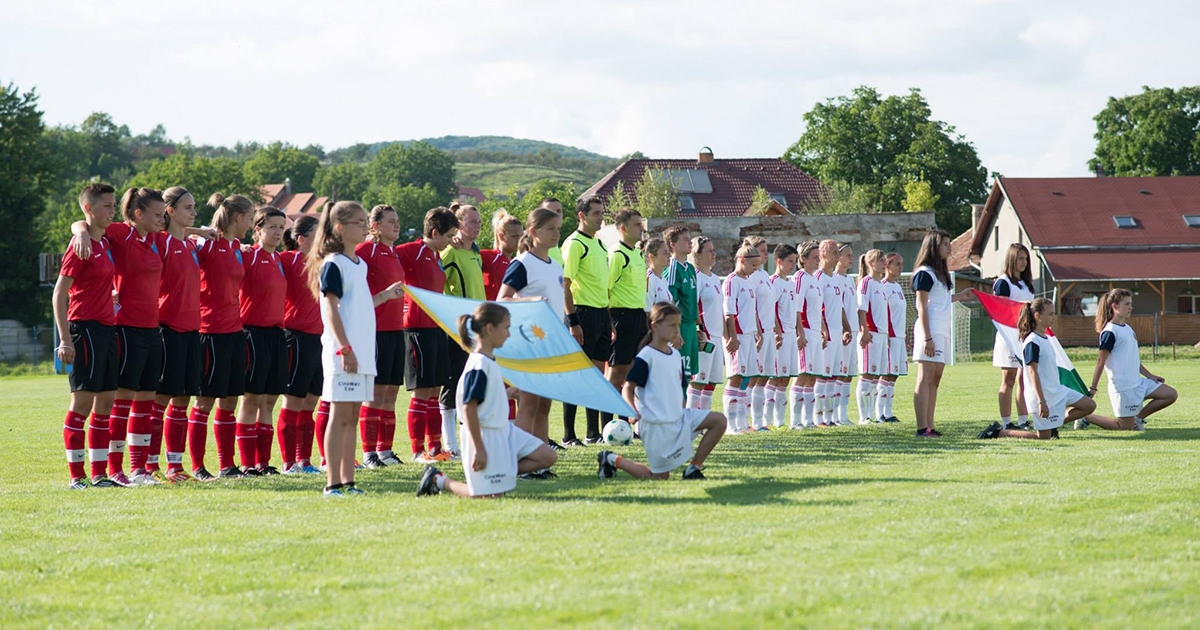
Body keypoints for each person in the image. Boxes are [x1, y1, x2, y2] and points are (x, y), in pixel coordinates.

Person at [308, 201, 405, 497]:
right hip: (344, 353)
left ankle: (348, 482)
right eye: (359, 222)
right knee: (339, 416)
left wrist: (385, 296)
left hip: (363, 351)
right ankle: (332, 483)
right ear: (340, 228)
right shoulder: (333, 264)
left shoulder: (359, 264)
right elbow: (331, 309)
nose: (365, 227)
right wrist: (345, 348)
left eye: (365, 221)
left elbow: (359, 306)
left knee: (352, 417)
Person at [71, 187, 167, 486]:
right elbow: (83, 222)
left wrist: (202, 230)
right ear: (137, 214)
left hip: (153, 329)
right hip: (125, 328)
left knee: (147, 401)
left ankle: (139, 469)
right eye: (156, 214)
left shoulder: (152, 238)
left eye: (164, 214)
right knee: (121, 400)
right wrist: (81, 233)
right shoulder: (120, 233)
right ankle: (114, 468)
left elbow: (179, 229)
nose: (161, 220)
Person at [416, 302, 558, 498]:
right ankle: (438, 480)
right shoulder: (478, 365)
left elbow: (482, 400)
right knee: (485, 496)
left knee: (547, 456)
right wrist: (479, 449)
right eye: (506, 328)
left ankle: (499, 473)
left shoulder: (488, 360)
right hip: (484, 436)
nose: (508, 334)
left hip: (503, 431)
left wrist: (504, 395)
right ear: (490, 329)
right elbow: (469, 410)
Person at [597, 302, 726, 480]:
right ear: (654, 325)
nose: (676, 330)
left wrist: (682, 408)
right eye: (672, 325)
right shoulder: (646, 357)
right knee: (659, 478)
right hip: (656, 425)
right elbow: (628, 387)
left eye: (678, 325)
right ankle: (611, 459)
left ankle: (693, 469)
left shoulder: (675, 355)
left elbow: (677, 387)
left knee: (719, 421)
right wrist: (632, 410)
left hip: (679, 418)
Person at [498, 208, 574, 479]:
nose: (557, 233)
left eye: (558, 228)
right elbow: (502, 301)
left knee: (543, 407)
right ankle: (518, 463)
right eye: (551, 228)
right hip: (528, 344)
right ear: (533, 232)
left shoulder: (555, 264)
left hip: (551, 346)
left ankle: (539, 464)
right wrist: (529, 301)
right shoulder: (522, 263)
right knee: (528, 405)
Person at [977, 299, 1120, 439]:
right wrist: (1041, 402)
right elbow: (1032, 373)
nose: (1054, 317)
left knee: (1089, 405)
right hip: (1043, 396)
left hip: (1057, 391)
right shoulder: (1032, 341)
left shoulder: (1044, 337)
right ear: (1038, 316)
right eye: (1051, 314)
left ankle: (1052, 426)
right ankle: (998, 432)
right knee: (1042, 438)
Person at [53, 183, 119, 489]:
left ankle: (99, 474)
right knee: (82, 403)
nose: (112, 211)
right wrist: (65, 340)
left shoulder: (104, 243)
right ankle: (76, 477)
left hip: (107, 329)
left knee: (105, 403)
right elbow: (59, 294)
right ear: (89, 209)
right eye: (106, 206)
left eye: (114, 205)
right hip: (85, 329)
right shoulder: (79, 245)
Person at [192, 193, 254, 478]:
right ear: (238, 218)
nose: (252, 224)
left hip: (234, 331)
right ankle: (197, 466)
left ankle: (227, 466)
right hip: (210, 331)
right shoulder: (207, 243)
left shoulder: (236, 247)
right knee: (204, 402)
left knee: (229, 401)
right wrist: (199, 232)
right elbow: (172, 232)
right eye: (250, 218)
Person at [396, 207, 460, 463]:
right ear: (434, 232)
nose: (450, 241)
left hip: (435, 329)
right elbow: (383, 259)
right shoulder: (412, 251)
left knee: (434, 389)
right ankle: (416, 450)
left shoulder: (437, 256)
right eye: (448, 235)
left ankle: (435, 449)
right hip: (416, 329)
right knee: (421, 391)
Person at [151, 187, 204, 482]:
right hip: (167, 329)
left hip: (192, 330)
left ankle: (175, 465)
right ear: (169, 210)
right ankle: (148, 463)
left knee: (183, 400)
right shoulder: (161, 242)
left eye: (194, 206)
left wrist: (198, 231)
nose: (193, 212)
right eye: (187, 207)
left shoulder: (192, 246)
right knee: (160, 400)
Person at [237, 206, 288, 475]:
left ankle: (263, 462)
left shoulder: (278, 259)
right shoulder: (250, 256)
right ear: (258, 230)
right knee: (251, 400)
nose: (278, 231)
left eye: (281, 227)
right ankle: (246, 464)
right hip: (253, 334)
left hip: (276, 335)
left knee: (269, 401)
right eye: (272, 227)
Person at [355, 205, 406, 468]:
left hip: (397, 330)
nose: (396, 225)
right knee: (374, 393)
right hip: (376, 330)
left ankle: (385, 451)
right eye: (390, 221)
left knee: (391, 393)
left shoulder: (393, 252)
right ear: (374, 226)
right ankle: (368, 453)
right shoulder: (366, 250)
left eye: (397, 221)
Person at [911, 230, 974, 437]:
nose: (949, 247)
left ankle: (930, 426)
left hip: (942, 330)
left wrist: (959, 296)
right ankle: (921, 428)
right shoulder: (924, 273)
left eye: (949, 243)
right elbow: (922, 307)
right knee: (925, 376)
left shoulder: (940, 273)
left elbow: (940, 301)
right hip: (929, 331)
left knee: (935, 379)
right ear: (933, 247)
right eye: (945, 244)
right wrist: (927, 337)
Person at [1086, 288, 1178, 431]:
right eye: (1127, 304)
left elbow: (1133, 359)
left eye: (1131, 304)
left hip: (1138, 382)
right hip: (1123, 387)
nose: (1131, 307)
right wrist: (1093, 387)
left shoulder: (1127, 328)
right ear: (1115, 307)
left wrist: (1150, 376)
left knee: (1170, 394)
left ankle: (1137, 418)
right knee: (1124, 428)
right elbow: (1100, 361)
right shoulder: (1110, 331)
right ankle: (1085, 416)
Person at [561, 196, 611, 446]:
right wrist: (572, 321)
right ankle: (569, 434)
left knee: (596, 376)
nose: (601, 217)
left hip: (601, 314)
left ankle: (593, 433)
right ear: (582, 216)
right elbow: (565, 284)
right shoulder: (574, 244)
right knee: (576, 376)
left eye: (602, 212)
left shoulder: (600, 244)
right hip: (583, 314)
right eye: (596, 213)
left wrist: (608, 317)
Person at [439, 203, 486, 459]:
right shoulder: (450, 252)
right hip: (458, 330)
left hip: (478, 330)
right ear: (458, 226)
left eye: (479, 222)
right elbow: (438, 284)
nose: (477, 226)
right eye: (471, 222)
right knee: (452, 384)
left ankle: (468, 437)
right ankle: (450, 443)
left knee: (471, 385)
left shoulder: (476, 253)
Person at [279, 215, 323, 474]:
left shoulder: (323, 263)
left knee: (310, 402)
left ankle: (304, 461)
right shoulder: (288, 259)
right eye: (317, 233)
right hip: (295, 337)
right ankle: (288, 463)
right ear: (301, 239)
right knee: (293, 401)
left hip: (319, 339)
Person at [605, 209, 647, 425]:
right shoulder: (617, 255)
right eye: (637, 225)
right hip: (621, 316)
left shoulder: (637, 254)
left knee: (631, 372)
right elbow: (606, 290)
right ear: (623, 228)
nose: (642, 228)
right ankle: (605, 425)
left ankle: (622, 424)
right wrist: (610, 322)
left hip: (638, 316)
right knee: (616, 373)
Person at [992, 244, 1036, 431]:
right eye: (1020, 258)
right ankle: (1006, 422)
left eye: (1026, 258)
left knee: (1024, 379)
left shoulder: (1027, 285)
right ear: (1011, 259)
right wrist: (1022, 305)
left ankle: (1023, 420)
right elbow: (1000, 310)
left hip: (1024, 338)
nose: (1024, 262)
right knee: (1008, 379)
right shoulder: (1003, 282)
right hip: (1007, 338)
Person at [721, 245, 762, 434]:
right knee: (736, 378)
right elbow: (729, 313)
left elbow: (752, 310)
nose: (755, 269)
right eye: (753, 264)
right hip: (737, 337)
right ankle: (730, 425)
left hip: (749, 336)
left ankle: (743, 422)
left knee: (746, 379)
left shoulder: (749, 281)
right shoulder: (731, 281)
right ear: (742, 260)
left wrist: (758, 332)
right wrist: (732, 337)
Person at [814, 240, 851, 427]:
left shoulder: (836, 278)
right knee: (823, 375)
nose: (837, 256)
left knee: (835, 376)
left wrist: (846, 327)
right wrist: (823, 330)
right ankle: (818, 417)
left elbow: (841, 306)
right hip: (826, 334)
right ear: (822, 254)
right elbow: (817, 307)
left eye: (838, 253)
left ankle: (830, 417)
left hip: (837, 332)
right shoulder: (818, 277)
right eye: (834, 252)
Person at [743, 237, 778, 431]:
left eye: (766, 250)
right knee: (752, 377)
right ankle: (745, 420)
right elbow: (752, 305)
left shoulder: (765, 274)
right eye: (762, 250)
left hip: (769, 330)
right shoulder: (751, 276)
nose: (766, 254)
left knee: (764, 377)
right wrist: (758, 329)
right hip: (758, 332)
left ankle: (759, 421)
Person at [687, 236, 723, 411]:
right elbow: (692, 306)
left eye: (714, 250)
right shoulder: (696, 276)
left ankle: (704, 420)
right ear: (697, 254)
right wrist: (698, 330)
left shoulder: (715, 279)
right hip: (704, 335)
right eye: (709, 251)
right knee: (698, 382)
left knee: (711, 383)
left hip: (717, 335)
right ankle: (693, 420)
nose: (713, 254)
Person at [791, 241, 823, 429]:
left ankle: (808, 419)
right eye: (814, 257)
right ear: (803, 259)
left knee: (813, 377)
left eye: (819, 257)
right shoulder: (800, 277)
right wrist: (800, 332)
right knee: (803, 374)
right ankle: (795, 421)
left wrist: (823, 331)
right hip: (806, 331)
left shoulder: (815, 279)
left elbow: (817, 309)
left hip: (816, 332)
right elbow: (797, 308)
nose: (818, 260)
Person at [768, 244, 800, 428]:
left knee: (786, 378)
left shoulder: (790, 283)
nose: (793, 265)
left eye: (794, 261)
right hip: (779, 336)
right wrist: (777, 331)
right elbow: (770, 309)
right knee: (775, 377)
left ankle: (780, 421)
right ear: (779, 261)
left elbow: (795, 311)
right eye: (789, 261)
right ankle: (767, 419)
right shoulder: (774, 282)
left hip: (791, 335)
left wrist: (798, 331)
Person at [855, 249, 887, 425]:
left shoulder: (880, 284)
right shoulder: (866, 282)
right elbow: (862, 309)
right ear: (870, 263)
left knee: (875, 377)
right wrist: (865, 330)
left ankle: (873, 414)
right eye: (880, 260)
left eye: (884, 260)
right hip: (871, 333)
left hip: (881, 334)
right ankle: (863, 416)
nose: (884, 263)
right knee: (866, 375)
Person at [664, 226, 699, 381]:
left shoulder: (690, 268)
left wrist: (698, 327)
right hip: (681, 326)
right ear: (673, 244)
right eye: (685, 239)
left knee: (689, 375)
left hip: (691, 326)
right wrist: (675, 330)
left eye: (690, 238)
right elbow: (670, 302)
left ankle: (683, 406)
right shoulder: (672, 268)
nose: (690, 242)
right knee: (679, 376)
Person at [878, 253, 906, 423]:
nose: (900, 267)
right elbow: (882, 313)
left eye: (901, 264)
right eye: (897, 264)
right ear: (887, 265)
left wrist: (905, 335)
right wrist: (887, 333)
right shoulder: (883, 286)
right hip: (890, 336)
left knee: (894, 374)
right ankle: (879, 412)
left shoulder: (897, 287)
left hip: (899, 336)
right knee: (885, 374)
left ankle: (888, 412)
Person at [834, 244, 859, 427]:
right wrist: (845, 327)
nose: (851, 258)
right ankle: (834, 413)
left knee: (849, 374)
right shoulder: (834, 279)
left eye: (852, 255)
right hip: (843, 331)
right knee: (839, 374)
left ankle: (843, 414)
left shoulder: (850, 280)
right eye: (847, 255)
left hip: (854, 331)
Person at [480, 210, 522, 301]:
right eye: (514, 236)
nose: (519, 240)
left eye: (520, 236)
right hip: (489, 311)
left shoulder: (516, 263)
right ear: (501, 236)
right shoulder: (490, 257)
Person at [645, 237, 672, 311]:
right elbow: (647, 310)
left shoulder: (663, 279)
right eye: (664, 253)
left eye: (668, 252)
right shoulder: (649, 279)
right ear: (652, 257)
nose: (669, 256)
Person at [537, 197, 565, 266]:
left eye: (558, 211)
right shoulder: (533, 241)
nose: (556, 215)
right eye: (550, 211)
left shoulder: (554, 242)